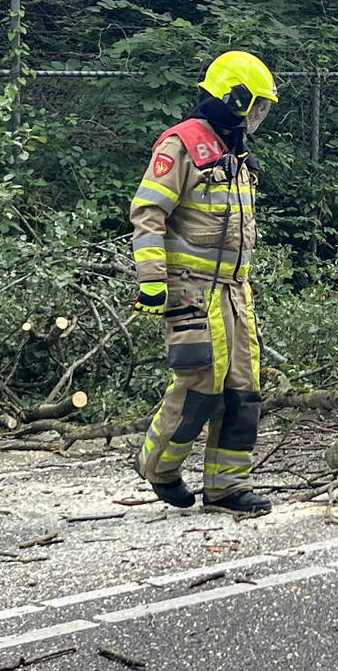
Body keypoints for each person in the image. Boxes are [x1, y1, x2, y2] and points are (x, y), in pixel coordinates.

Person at [129, 51, 277, 514]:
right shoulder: (183, 145)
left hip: (234, 291)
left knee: (242, 388)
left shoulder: (236, 152)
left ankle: (227, 487)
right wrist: (152, 279)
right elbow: (148, 213)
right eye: (256, 105)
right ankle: (159, 466)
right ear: (234, 99)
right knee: (200, 383)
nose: (258, 115)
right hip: (190, 289)